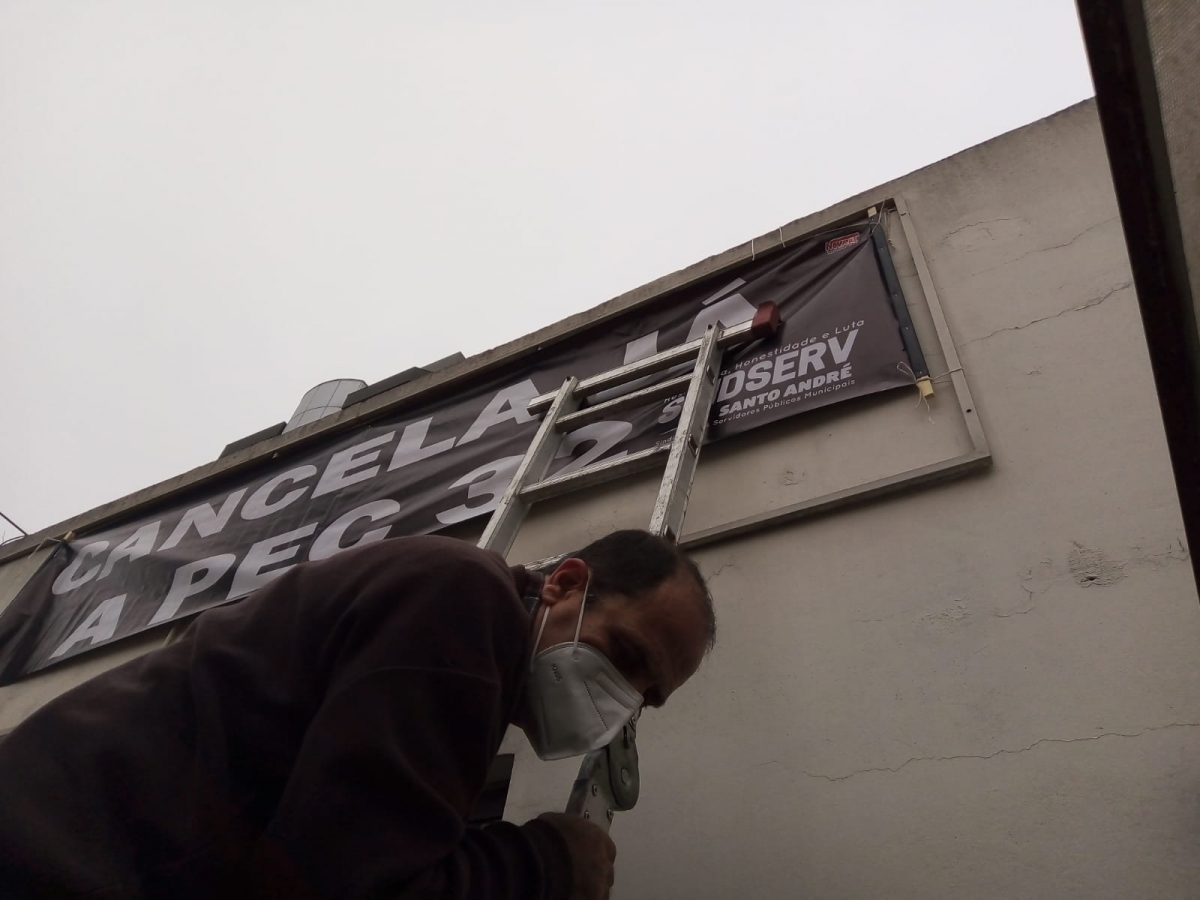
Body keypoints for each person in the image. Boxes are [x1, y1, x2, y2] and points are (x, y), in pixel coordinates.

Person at [0, 529, 715, 899]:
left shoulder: (477, 646)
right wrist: (551, 863)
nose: (621, 696)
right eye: (624, 654)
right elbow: (351, 888)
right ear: (564, 583)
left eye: (645, 696)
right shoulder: (465, 603)